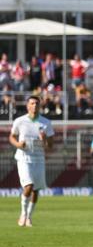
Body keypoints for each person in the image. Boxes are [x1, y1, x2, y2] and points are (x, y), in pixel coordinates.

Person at [10, 95, 54, 227]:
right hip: (24, 158)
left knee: (36, 190)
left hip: (39, 159)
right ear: (27, 106)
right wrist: (18, 145)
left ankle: (29, 216)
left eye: (37, 104)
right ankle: (23, 213)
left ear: (40, 106)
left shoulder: (46, 123)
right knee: (28, 187)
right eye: (32, 103)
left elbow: (50, 146)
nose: (34, 106)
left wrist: (45, 138)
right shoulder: (20, 121)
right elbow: (12, 137)